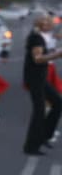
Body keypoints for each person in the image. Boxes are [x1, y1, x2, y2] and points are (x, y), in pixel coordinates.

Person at [25, 12, 62, 155]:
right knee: (39, 111)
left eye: (49, 21)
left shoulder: (41, 37)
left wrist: (54, 52)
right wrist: (57, 55)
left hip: (40, 78)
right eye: (44, 22)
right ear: (38, 24)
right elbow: (38, 59)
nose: (48, 24)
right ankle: (31, 146)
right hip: (35, 78)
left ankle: (44, 136)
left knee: (58, 103)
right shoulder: (36, 38)